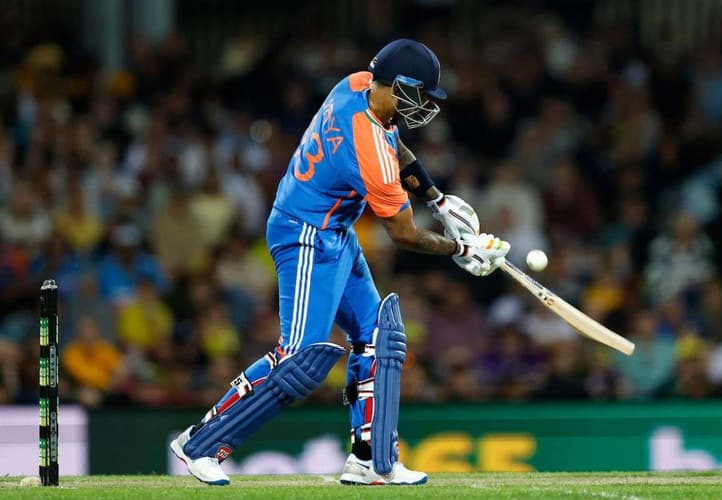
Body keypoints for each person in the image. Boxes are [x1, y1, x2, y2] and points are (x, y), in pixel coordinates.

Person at [170, 39, 510, 486]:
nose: (425, 105)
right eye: (420, 94)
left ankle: (372, 461)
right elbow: (404, 235)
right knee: (300, 357)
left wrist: (437, 199)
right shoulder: (367, 148)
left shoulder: (357, 85)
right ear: (398, 85)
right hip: (305, 234)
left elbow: (397, 147)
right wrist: (461, 250)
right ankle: (200, 443)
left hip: (333, 230)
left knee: (379, 336)